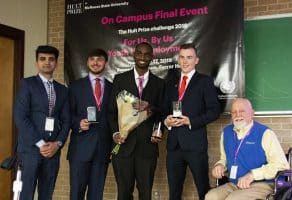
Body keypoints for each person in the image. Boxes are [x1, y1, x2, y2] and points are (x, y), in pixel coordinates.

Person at [108, 42, 165, 200]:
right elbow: (111, 112)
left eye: (147, 54)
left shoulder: (160, 83)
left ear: (152, 57)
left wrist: (157, 127)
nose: (142, 57)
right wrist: (115, 133)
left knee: (145, 193)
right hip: (123, 146)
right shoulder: (120, 80)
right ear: (134, 55)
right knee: (123, 193)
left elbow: (162, 113)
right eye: (139, 53)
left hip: (147, 148)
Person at [164, 43, 220, 200]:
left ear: (196, 60)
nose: (185, 61)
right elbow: (163, 110)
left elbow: (214, 111)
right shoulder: (170, 83)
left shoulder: (205, 81)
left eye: (189, 57)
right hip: (174, 146)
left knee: (203, 190)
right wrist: (167, 121)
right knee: (174, 192)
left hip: (195, 145)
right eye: (182, 57)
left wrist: (191, 121)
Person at [14, 45, 70, 200]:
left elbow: (66, 121)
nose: (47, 62)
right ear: (37, 62)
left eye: (51, 59)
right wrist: (40, 143)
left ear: (56, 63)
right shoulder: (27, 84)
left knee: (47, 195)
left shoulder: (62, 90)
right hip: (30, 150)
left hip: (52, 152)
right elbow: (20, 117)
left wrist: (57, 143)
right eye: (42, 59)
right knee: (26, 195)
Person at [205, 98, 289, 200]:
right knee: (211, 196)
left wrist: (252, 175)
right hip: (235, 184)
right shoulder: (226, 133)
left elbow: (281, 165)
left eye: (242, 111)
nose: (237, 115)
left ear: (252, 113)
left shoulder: (265, 133)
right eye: (234, 112)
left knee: (233, 199)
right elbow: (224, 159)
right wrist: (219, 165)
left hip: (261, 185)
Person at [67, 49, 112, 200]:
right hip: (80, 148)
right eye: (92, 59)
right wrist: (78, 123)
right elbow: (67, 115)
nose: (95, 62)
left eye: (99, 59)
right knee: (76, 193)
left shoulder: (113, 88)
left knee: (96, 195)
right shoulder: (75, 87)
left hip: (102, 149)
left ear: (105, 63)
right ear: (87, 62)